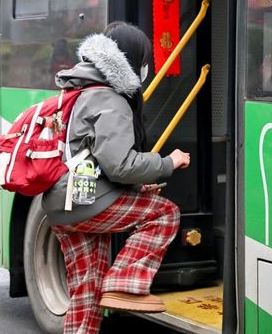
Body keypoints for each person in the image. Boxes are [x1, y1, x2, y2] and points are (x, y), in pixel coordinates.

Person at [42, 22, 191, 334]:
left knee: (86, 294)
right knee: (164, 214)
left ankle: (110, 288)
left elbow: (95, 157)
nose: (147, 67)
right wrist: (167, 162)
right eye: (145, 59)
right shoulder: (110, 98)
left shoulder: (79, 87)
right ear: (133, 58)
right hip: (89, 203)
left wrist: (137, 185)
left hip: (61, 205)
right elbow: (120, 165)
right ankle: (124, 282)